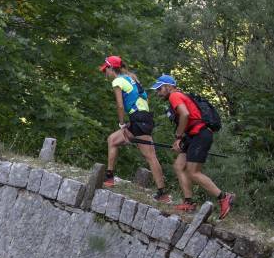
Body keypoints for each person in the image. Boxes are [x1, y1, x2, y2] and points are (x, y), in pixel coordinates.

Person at [150, 74, 234, 219]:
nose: (158, 93)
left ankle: (224, 197)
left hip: (200, 135)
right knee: (178, 166)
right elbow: (188, 119)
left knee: (193, 172)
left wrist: (178, 137)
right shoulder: (179, 96)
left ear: (169, 87)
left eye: (160, 89)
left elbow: (185, 115)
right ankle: (189, 202)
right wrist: (182, 139)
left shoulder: (174, 96)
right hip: (193, 136)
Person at [99, 55, 171, 203]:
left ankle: (162, 194)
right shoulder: (131, 78)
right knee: (113, 140)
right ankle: (109, 177)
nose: (105, 73)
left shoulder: (118, 81)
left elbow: (120, 105)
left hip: (139, 119)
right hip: (143, 118)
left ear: (112, 68)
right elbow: (144, 99)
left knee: (150, 156)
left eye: (105, 69)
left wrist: (121, 123)